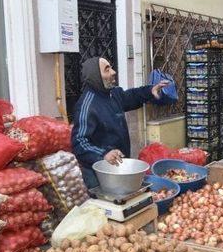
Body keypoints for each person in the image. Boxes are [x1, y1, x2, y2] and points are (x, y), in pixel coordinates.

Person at [72, 56, 169, 189]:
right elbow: (79, 142)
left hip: (118, 166)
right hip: (99, 175)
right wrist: (103, 154)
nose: (113, 72)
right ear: (95, 76)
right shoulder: (87, 105)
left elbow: (131, 96)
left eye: (111, 67)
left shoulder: (112, 93)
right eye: (107, 70)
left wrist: (150, 91)